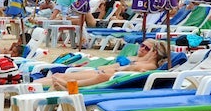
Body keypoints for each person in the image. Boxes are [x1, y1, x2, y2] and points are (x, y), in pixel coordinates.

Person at [40, 38, 170, 91]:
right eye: (142, 46)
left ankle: (68, 89)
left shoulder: (151, 66)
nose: (142, 49)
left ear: (154, 53)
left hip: (107, 79)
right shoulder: (144, 62)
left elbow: (134, 70)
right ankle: (30, 86)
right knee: (60, 76)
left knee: (64, 78)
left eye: (148, 49)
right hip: (104, 75)